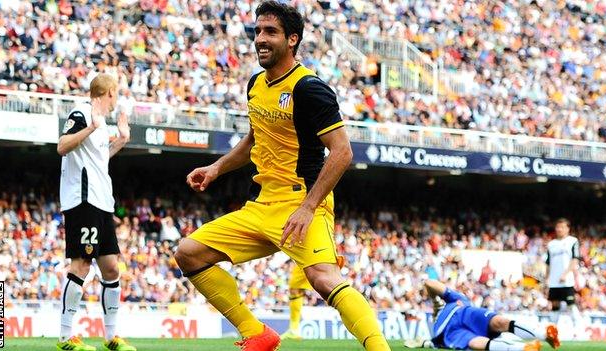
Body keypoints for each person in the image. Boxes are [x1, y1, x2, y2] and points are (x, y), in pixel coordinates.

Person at [174, 2, 389, 350]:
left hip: (301, 202)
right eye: (258, 31)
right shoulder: (256, 84)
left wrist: (308, 207)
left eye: (270, 32)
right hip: (261, 205)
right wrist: (217, 168)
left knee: (322, 278)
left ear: (292, 39)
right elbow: (255, 137)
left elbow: (342, 151)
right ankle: (256, 332)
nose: (260, 38)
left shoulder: (309, 88)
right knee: (188, 253)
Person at [56, 73, 136, 351]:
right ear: (109, 92)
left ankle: (111, 338)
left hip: (102, 202)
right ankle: (65, 338)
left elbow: (98, 159)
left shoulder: (100, 125)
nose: (117, 100)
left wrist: (121, 140)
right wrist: (90, 127)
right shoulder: (82, 114)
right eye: (117, 94)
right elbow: (62, 146)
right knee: (81, 265)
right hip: (83, 200)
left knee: (111, 268)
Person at [404, 280, 560, 351]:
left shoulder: (456, 300)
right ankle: (525, 349)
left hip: (467, 314)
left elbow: (429, 283)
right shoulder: (438, 333)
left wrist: (435, 299)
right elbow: (430, 344)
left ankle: (544, 334)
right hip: (453, 332)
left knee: (500, 321)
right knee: (475, 343)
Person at [546, 218, 582, 327]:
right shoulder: (551, 244)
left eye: (562, 227)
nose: (559, 229)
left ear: (568, 229)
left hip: (567, 280)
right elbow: (548, 263)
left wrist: (565, 274)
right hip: (554, 280)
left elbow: (575, 259)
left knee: (570, 304)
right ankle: (552, 331)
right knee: (554, 304)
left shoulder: (573, 241)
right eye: (557, 227)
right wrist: (547, 278)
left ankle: (579, 329)